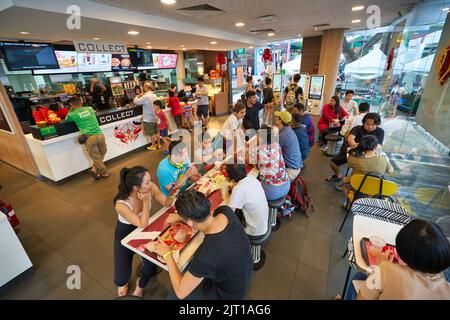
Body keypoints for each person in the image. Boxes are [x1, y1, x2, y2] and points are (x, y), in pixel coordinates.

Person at [153, 190, 253, 300]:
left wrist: (168, 255)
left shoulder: (205, 256)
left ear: (190, 223)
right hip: (242, 274)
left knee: (172, 296)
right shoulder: (225, 212)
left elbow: (180, 293)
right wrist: (182, 218)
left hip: (227, 295)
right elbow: (204, 219)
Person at [346, 219, 450, 300]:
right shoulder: (447, 289)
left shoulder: (385, 269)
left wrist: (379, 268)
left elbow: (361, 298)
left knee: (358, 276)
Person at [114, 166, 173, 297]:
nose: (150, 184)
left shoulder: (150, 187)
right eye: (147, 182)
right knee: (121, 275)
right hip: (125, 230)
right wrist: (146, 201)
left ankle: (141, 285)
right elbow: (142, 223)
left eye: (150, 180)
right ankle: (123, 283)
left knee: (150, 265)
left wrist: (176, 188)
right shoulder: (121, 204)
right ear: (135, 188)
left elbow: (166, 202)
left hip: (145, 228)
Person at [327, 113, 385, 182]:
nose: (370, 127)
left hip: (370, 154)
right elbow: (350, 139)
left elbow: (378, 145)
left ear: (377, 124)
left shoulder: (380, 131)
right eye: (367, 124)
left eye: (373, 125)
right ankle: (338, 175)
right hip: (353, 151)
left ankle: (358, 181)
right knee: (333, 162)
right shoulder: (357, 128)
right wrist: (357, 148)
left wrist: (368, 154)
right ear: (364, 122)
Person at [66, 96, 108, 180]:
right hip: (100, 135)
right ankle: (96, 169)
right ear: (81, 101)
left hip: (89, 138)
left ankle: (103, 172)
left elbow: (67, 119)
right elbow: (94, 112)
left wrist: (71, 108)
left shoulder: (72, 114)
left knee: (96, 157)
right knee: (103, 152)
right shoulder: (90, 109)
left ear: (71, 104)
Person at [248, 126, 290, 201]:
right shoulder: (277, 146)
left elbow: (247, 159)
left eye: (257, 135)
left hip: (271, 191)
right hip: (286, 186)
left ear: (261, 137)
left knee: (250, 187)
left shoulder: (257, 150)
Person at [226, 164, 269, 237]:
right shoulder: (252, 178)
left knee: (228, 222)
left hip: (254, 230)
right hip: (264, 221)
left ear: (230, 176)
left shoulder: (238, 189)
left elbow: (230, 212)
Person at [275, 110, 302, 181]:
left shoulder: (283, 135)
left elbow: (273, 154)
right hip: (296, 166)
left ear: (280, 121)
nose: (276, 118)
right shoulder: (288, 130)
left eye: (277, 117)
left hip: (291, 170)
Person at [134, 82, 159, 151]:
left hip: (148, 117)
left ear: (145, 88)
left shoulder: (145, 96)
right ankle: (159, 145)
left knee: (151, 133)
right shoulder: (154, 95)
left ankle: (153, 146)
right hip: (155, 116)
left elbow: (136, 101)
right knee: (156, 132)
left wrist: (138, 95)